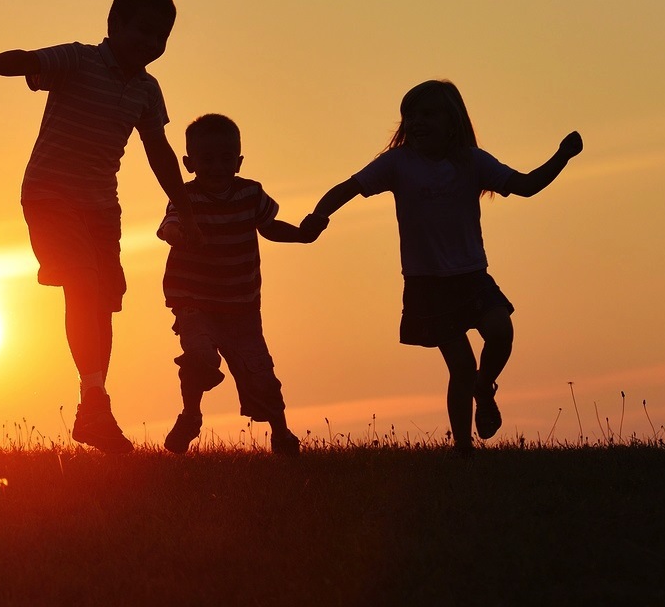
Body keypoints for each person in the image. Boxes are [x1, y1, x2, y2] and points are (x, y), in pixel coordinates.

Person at [0, 0, 201, 454]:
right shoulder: (79, 60)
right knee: (81, 282)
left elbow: (158, 149)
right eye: (143, 31)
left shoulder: (147, 89)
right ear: (114, 25)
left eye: (161, 36)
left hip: (101, 206)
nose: (151, 43)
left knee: (103, 302)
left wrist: (183, 204)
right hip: (50, 196)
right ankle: (95, 406)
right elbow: (28, 60)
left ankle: (92, 405)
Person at [303, 79, 582, 455]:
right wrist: (318, 216)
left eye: (428, 114)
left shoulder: (471, 160)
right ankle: (463, 449)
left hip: (471, 275)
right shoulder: (397, 163)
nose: (417, 122)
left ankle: (485, 388)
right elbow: (349, 187)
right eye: (410, 115)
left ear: (452, 120)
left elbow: (527, 186)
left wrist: (562, 156)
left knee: (501, 332)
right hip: (427, 285)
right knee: (461, 367)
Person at [157, 114, 319, 456]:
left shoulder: (250, 193)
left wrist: (302, 236)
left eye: (226, 158)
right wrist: (181, 234)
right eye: (207, 159)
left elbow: (269, 226)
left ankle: (280, 432)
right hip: (195, 301)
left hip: (242, 306)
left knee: (261, 373)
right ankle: (190, 415)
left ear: (239, 160)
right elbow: (169, 227)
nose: (218, 166)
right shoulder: (186, 199)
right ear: (189, 163)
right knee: (199, 355)